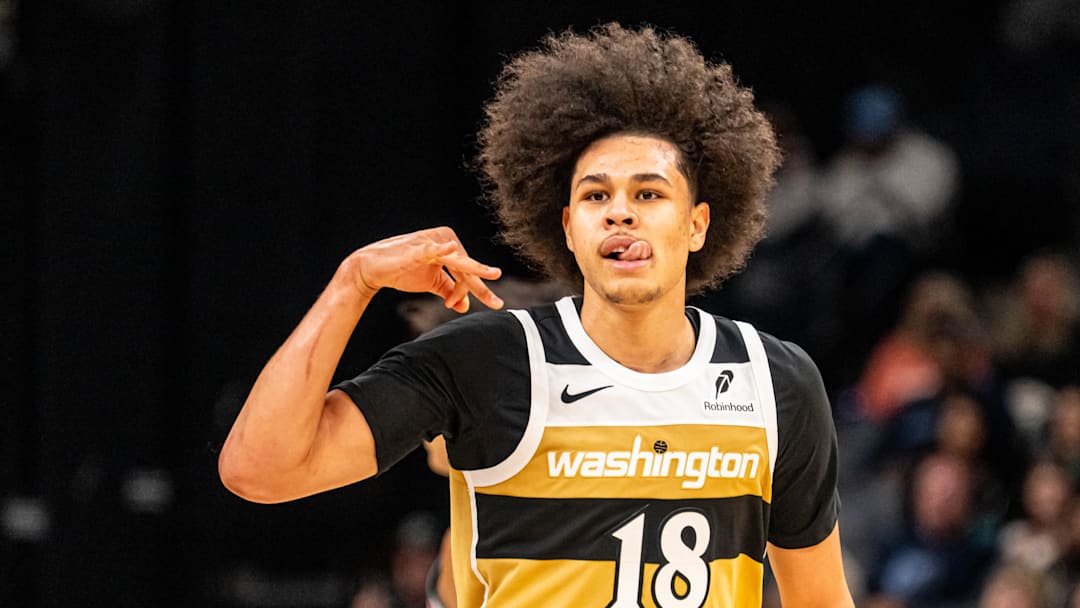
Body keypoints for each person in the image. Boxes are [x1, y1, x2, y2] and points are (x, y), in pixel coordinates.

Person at [219, 23, 853, 607]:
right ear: (568, 231)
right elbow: (259, 470)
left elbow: (820, 600)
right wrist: (351, 283)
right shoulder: (483, 362)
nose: (620, 211)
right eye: (595, 195)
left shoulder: (776, 383)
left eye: (649, 193)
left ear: (697, 224)